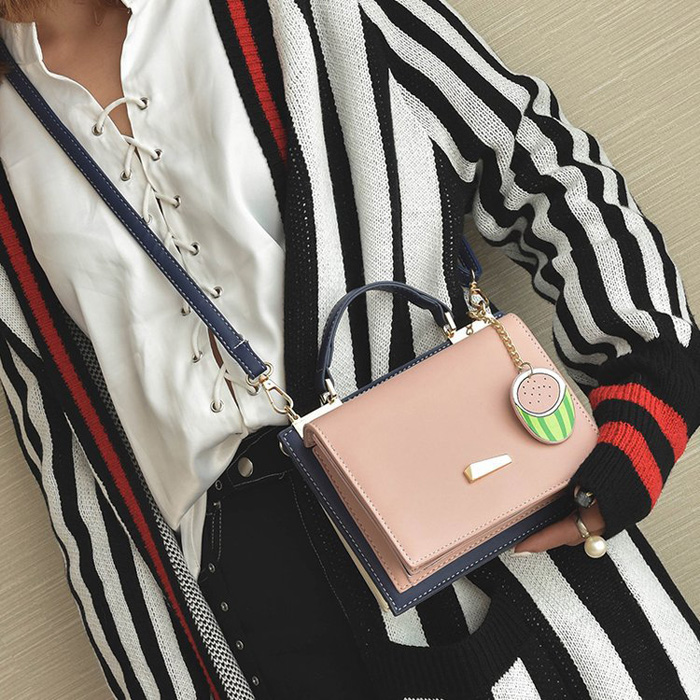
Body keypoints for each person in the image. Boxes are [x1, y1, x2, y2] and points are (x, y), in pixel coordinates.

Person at [0, 0, 699, 698]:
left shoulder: (308, 11)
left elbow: (534, 158)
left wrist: (651, 384)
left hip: (471, 519)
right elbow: (69, 461)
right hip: (248, 618)